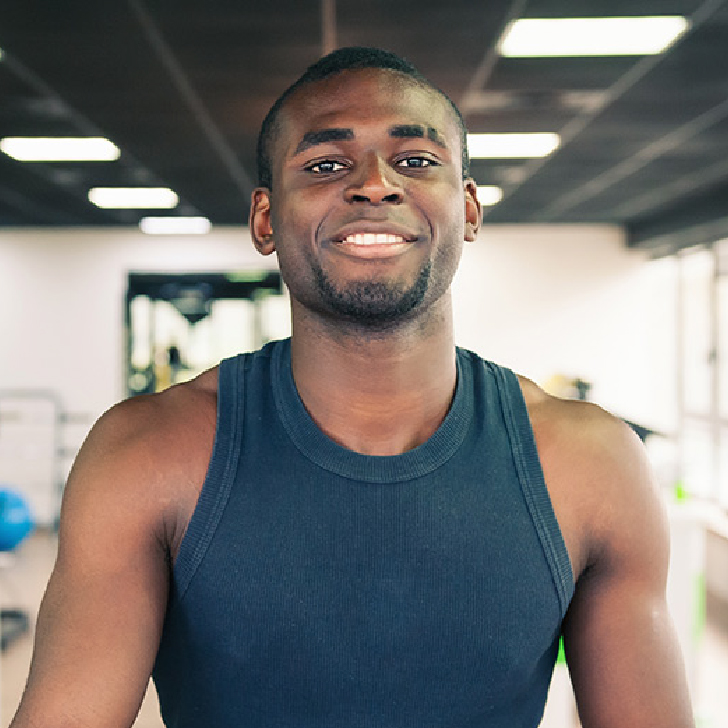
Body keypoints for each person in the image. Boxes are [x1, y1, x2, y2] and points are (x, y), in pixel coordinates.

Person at [11, 47, 694, 728]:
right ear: (265, 219)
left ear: (469, 209)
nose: (375, 184)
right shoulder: (146, 455)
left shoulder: (592, 464)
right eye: (325, 165)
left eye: (416, 161)